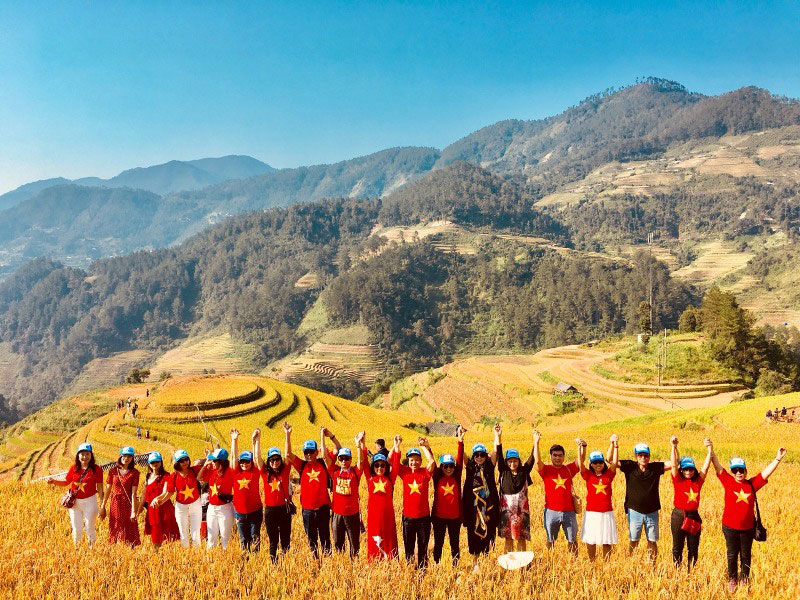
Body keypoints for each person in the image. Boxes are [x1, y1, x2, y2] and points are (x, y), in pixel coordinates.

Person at [709, 442, 787, 592]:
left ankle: (744, 578)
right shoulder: (728, 481)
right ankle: (733, 579)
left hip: (748, 528)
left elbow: (766, 472)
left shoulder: (752, 484)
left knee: (746, 555)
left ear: (746, 470)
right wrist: (710, 450)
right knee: (732, 555)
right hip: (730, 527)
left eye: (741, 470)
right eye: (735, 470)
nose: (739, 473)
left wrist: (778, 458)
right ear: (732, 471)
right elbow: (717, 465)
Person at [616, 439, 673, 562]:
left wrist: (674, 446)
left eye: (646, 455)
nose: (643, 458)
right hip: (634, 511)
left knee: (652, 541)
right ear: (636, 456)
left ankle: (652, 565)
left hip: (652, 512)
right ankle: (631, 563)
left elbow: (674, 463)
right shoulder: (629, 466)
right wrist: (614, 446)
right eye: (640, 455)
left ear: (649, 456)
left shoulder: (655, 468)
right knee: (633, 540)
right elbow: (611, 461)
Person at [533, 430, 581, 554]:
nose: (558, 458)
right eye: (555, 455)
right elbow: (537, 461)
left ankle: (574, 561)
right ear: (551, 456)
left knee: (572, 540)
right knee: (550, 540)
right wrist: (536, 442)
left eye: (560, 455)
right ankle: (550, 561)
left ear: (564, 456)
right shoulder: (546, 470)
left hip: (569, 511)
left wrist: (582, 447)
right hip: (551, 512)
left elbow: (580, 461)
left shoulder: (568, 469)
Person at [48, 442, 104, 547]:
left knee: (89, 527)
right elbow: (66, 482)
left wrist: (102, 504)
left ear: (91, 456)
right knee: (76, 528)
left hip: (90, 502)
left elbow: (100, 488)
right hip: (75, 503)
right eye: (82, 454)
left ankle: (92, 550)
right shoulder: (73, 468)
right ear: (78, 455)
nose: (84, 457)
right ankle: (76, 550)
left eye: (87, 454)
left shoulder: (97, 469)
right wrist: (54, 481)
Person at [462, 423, 500, 572]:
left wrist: (496, 434)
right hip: (473, 509)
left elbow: (496, 451)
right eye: (476, 455)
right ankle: (475, 563)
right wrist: (461, 439)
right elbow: (461, 456)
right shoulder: (470, 467)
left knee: (489, 535)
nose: (479, 457)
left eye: (482, 455)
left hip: (488, 509)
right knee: (474, 536)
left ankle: (487, 563)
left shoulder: (490, 467)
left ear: (486, 456)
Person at [669, 436, 712, 571]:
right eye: (686, 469)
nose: (688, 472)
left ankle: (691, 572)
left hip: (693, 516)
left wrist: (709, 450)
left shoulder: (698, 481)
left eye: (691, 469)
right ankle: (677, 571)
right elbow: (674, 464)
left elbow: (706, 467)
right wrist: (674, 447)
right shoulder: (678, 480)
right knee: (677, 546)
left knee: (693, 547)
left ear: (694, 470)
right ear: (682, 470)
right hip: (678, 516)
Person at [289, 429, 332, 558]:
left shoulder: (323, 463)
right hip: (307, 511)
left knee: (325, 539)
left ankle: (329, 564)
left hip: (323, 509)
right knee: (312, 540)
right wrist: (288, 434)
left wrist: (323, 436)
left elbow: (326, 454)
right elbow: (288, 454)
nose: (308, 455)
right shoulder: (301, 465)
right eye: (306, 452)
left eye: (311, 452)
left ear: (316, 452)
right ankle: (315, 561)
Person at [395, 436, 436, 568]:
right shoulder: (404, 472)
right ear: (408, 461)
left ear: (420, 461)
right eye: (412, 460)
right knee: (409, 546)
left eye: (417, 460)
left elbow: (432, 462)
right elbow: (393, 461)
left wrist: (424, 446)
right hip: (408, 518)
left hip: (423, 517)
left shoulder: (425, 472)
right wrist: (397, 445)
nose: (414, 463)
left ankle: (422, 571)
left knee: (423, 547)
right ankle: (409, 569)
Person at [323, 428, 363, 556]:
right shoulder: (334, 471)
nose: (344, 461)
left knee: (354, 545)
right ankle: (341, 566)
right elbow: (324, 456)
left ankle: (354, 568)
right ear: (338, 460)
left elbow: (361, 461)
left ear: (351, 459)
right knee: (338, 544)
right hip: (337, 514)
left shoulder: (355, 472)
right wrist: (325, 436)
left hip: (353, 514)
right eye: (341, 459)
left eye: (346, 458)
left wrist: (358, 445)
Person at [497, 425, 536, 553]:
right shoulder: (503, 471)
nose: (512, 463)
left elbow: (533, 458)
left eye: (515, 461)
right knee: (508, 538)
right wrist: (498, 436)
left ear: (519, 461)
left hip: (521, 512)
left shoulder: (524, 471)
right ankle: (510, 563)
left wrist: (536, 442)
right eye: (510, 461)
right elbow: (499, 452)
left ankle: (522, 564)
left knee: (521, 538)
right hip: (506, 511)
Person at [579, 435, 618, 560]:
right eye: (595, 462)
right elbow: (580, 464)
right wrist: (580, 448)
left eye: (600, 462)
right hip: (591, 512)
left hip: (606, 512)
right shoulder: (588, 475)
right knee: (591, 539)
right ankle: (592, 562)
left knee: (607, 540)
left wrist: (615, 445)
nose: (598, 464)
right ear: (591, 464)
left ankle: (607, 563)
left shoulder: (609, 475)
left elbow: (615, 462)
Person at [258, 424, 294, 561]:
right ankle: (274, 564)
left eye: (277, 459)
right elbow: (257, 458)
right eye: (272, 460)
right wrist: (257, 440)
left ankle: (286, 563)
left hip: (284, 510)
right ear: (269, 461)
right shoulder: (265, 473)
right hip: (270, 511)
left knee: (285, 540)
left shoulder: (285, 471)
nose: (275, 462)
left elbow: (288, 454)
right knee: (273, 541)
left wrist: (287, 435)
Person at [361, 434, 399, 561]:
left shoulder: (390, 478)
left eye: (382, 465)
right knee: (374, 539)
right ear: (373, 467)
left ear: (386, 466)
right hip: (373, 516)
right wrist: (363, 442)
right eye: (376, 465)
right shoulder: (370, 478)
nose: (379, 468)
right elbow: (365, 462)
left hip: (388, 516)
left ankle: (391, 561)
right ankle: (374, 561)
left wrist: (396, 446)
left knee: (389, 540)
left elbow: (397, 465)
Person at [432, 425, 465, 564]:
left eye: (451, 466)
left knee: (454, 543)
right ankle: (436, 563)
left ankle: (455, 565)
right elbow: (432, 462)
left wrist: (460, 441)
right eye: (445, 466)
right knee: (438, 542)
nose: (449, 469)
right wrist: (427, 448)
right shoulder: (437, 477)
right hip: (439, 517)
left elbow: (459, 460)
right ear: (441, 467)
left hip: (455, 517)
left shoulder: (456, 476)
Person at [99, 445, 141, 546]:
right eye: (124, 456)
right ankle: (115, 547)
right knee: (116, 524)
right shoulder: (113, 471)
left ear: (132, 458)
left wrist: (133, 511)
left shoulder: (135, 473)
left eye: (129, 457)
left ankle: (129, 549)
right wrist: (103, 506)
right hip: (116, 501)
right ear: (120, 456)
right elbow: (108, 489)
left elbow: (134, 493)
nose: (126, 459)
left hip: (128, 502)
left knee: (129, 525)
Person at [231, 428, 263, 552]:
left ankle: (256, 562)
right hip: (240, 513)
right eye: (242, 461)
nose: (244, 464)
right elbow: (233, 457)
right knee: (244, 541)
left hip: (255, 512)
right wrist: (234, 440)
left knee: (255, 539)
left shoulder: (255, 472)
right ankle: (246, 562)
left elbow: (257, 457)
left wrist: (256, 440)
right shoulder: (235, 472)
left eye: (247, 461)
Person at [138, 452, 179, 547]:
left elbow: (166, 492)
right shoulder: (148, 476)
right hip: (152, 509)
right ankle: (157, 555)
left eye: (157, 461)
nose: (155, 464)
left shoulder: (166, 475)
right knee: (155, 535)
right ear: (149, 464)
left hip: (163, 508)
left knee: (167, 536)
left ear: (161, 462)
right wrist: (140, 507)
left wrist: (157, 499)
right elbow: (144, 493)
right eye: (152, 462)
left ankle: (168, 555)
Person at [198, 447, 235, 549]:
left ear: (221, 462)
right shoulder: (212, 472)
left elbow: (234, 458)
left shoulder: (230, 472)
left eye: (214, 461)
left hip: (225, 509)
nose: (212, 463)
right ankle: (210, 560)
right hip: (212, 508)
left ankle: (226, 561)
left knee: (225, 538)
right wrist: (206, 463)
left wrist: (234, 440)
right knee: (211, 538)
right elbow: (199, 477)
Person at [168, 449, 204, 548]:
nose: (185, 462)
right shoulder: (173, 476)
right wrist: (160, 500)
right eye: (181, 460)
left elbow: (205, 469)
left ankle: (196, 555)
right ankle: (186, 554)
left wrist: (208, 458)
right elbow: (170, 492)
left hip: (195, 504)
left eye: (186, 459)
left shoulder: (195, 470)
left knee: (196, 532)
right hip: (181, 507)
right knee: (183, 532)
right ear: (177, 463)